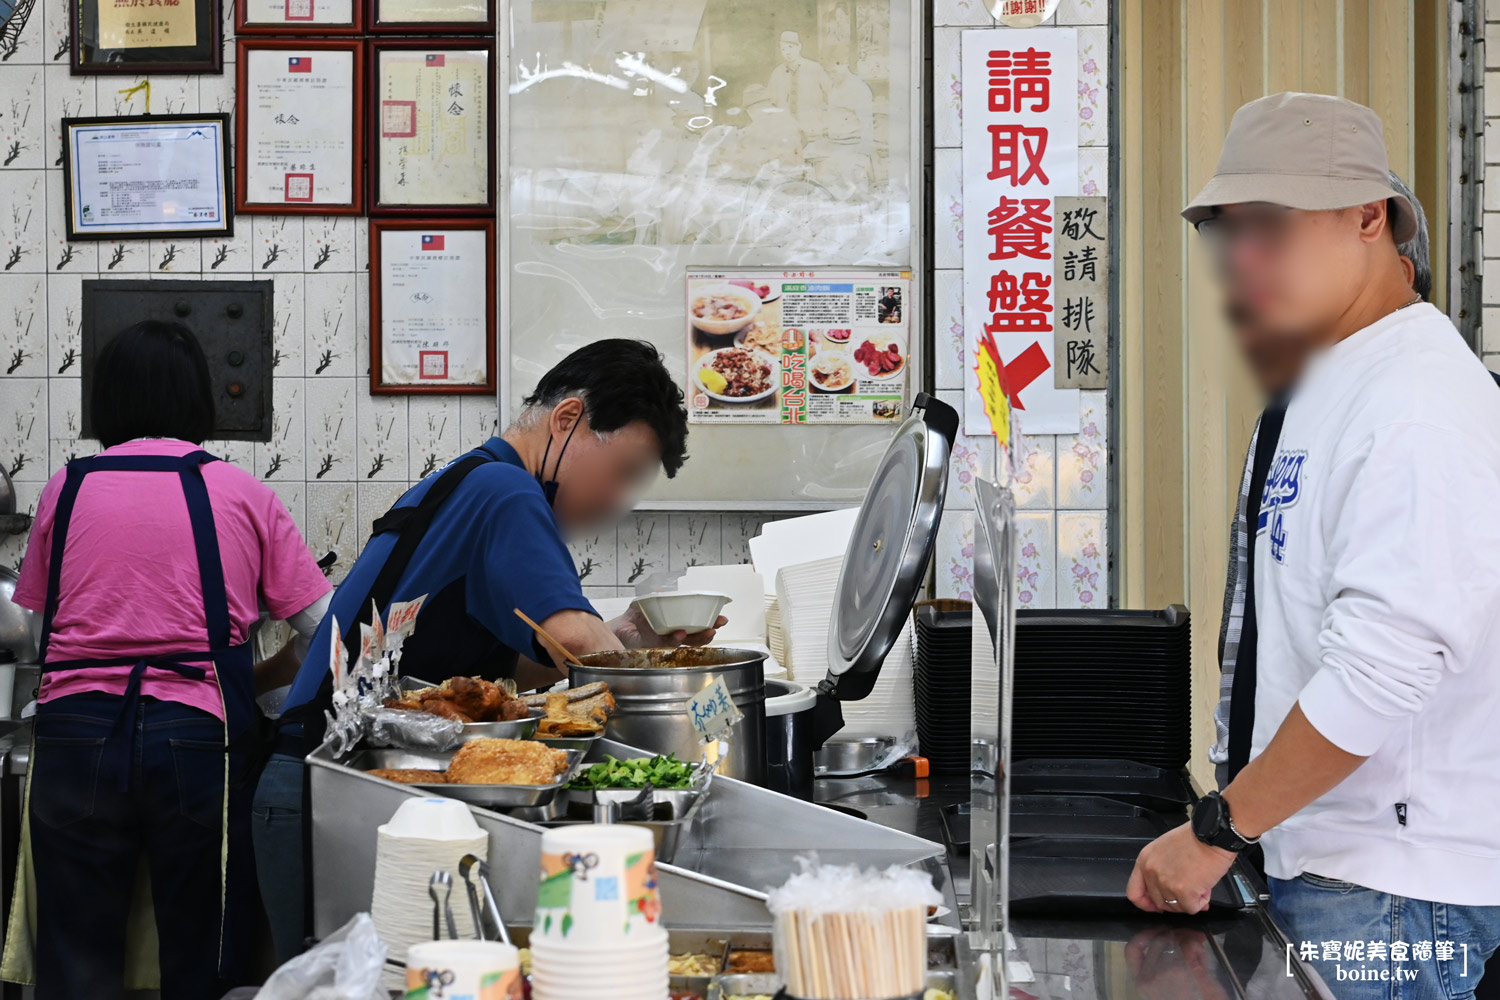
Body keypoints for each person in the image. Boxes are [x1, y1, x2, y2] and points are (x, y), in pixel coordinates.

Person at [1126, 92, 1500, 996]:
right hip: (1314, 859)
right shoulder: (1327, 382)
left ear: (1370, 217)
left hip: (1391, 889)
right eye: (1228, 234)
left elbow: (1385, 665)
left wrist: (1218, 832)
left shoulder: (1421, 404)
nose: (1243, 262)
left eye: (1272, 228)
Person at [255, 338, 723, 962]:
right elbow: (582, 649)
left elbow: (532, 662)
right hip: (333, 794)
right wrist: (695, 704)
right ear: (567, 420)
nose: (620, 502)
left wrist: (632, 634)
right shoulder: (506, 493)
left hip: (333, 782)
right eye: (625, 474)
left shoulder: (470, 480)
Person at [0, 321, 331, 1000]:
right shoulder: (242, 492)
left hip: (74, 734)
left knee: (76, 958)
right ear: (198, 400)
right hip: (197, 739)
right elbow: (325, 631)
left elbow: (35, 626)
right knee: (202, 950)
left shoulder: (65, 489)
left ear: (108, 401)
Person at [1209, 170, 1449, 792]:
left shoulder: (1425, 410)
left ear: (1396, 266)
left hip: (1379, 845)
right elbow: (1252, 612)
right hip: (1278, 815)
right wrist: (1231, 769)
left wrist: (1232, 821)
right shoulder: (1293, 409)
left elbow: (1388, 659)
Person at [767, 30, 831, 138]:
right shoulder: (777, 73)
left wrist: (825, 119)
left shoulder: (814, 68)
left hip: (812, 129)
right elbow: (770, 103)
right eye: (784, 49)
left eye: (791, 47)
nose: (787, 52)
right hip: (787, 132)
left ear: (799, 47)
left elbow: (832, 94)